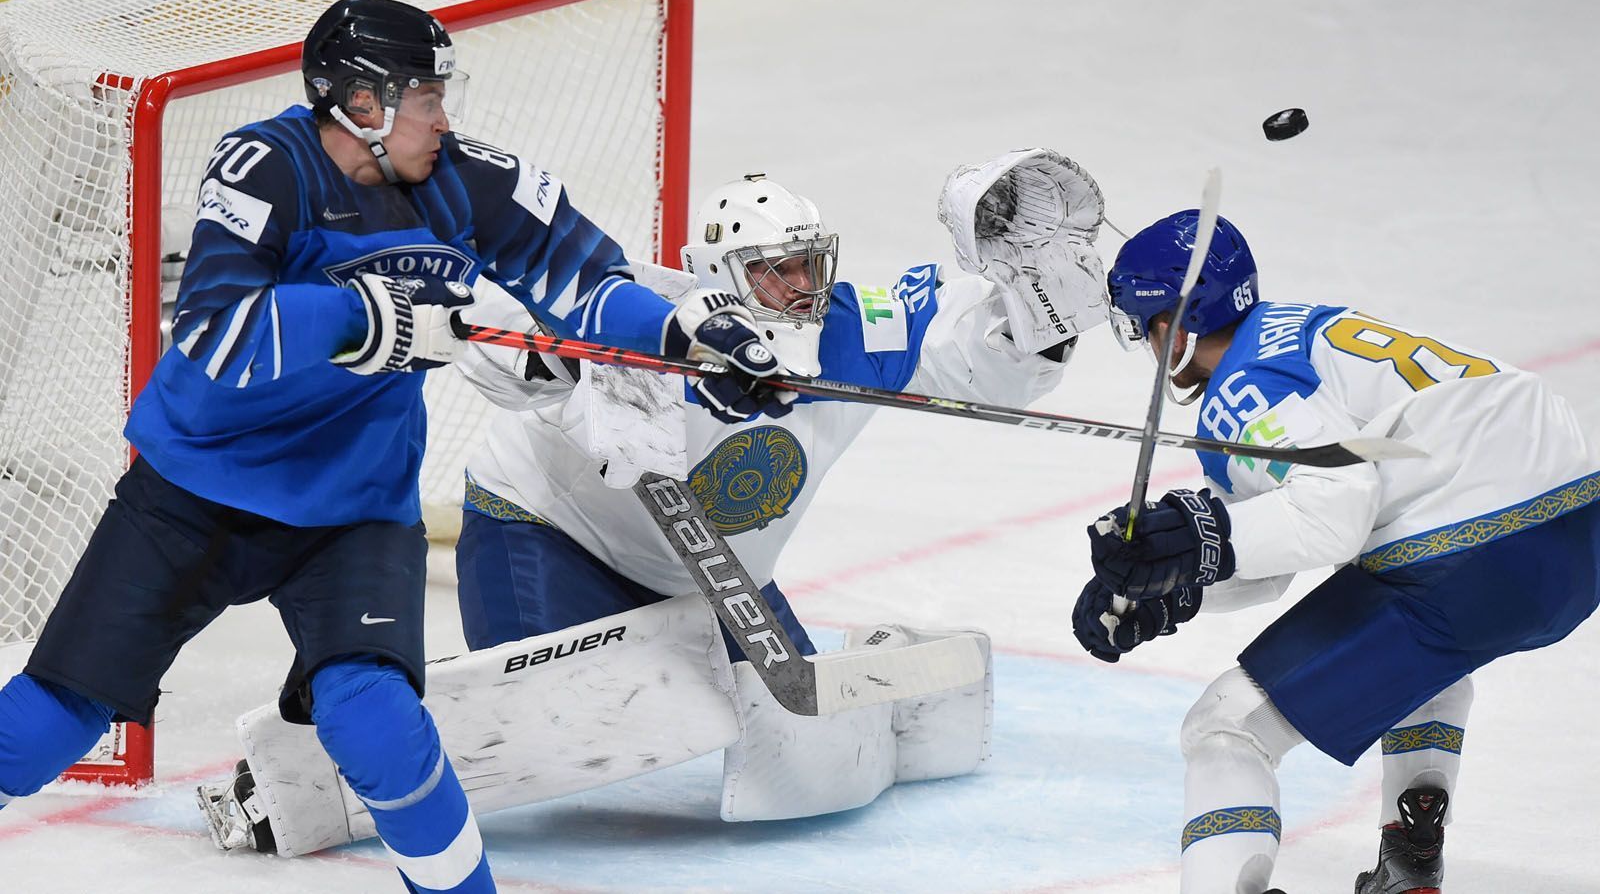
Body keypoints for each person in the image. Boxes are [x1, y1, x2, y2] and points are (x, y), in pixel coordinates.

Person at [0, 0, 788, 892]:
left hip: (355, 508)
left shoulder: (471, 179)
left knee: (374, 720)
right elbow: (215, 330)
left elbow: (589, 280)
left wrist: (687, 339)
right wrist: (377, 318)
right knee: (46, 726)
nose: (443, 117)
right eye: (425, 95)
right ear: (361, 105)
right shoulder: (267, 169)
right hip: (195, 494)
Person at [194, 150, 1113, 855]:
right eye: (773, 271)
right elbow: (493, 345)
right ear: (718, 276)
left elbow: (973, 361)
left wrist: (1037, 317)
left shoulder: (850, 331)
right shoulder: (648, 321)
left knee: (797, 735)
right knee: (556, 711)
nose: (802, 288)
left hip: (712, 576)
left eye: (807, 262)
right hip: (551, 535)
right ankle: (295, 775)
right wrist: (572, 372)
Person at [1073, 210, 1600, 894]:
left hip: (1469, 548)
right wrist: (1174, 580)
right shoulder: (1300, 331)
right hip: (1576, 533)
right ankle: (1409, 865)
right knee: (1425, 663)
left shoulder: (1242, 385)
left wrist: (1201, 539)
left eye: (1143, 325)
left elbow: (1331, 512)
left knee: (1227, 728)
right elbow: (1279, 531)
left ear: (1172, 325)